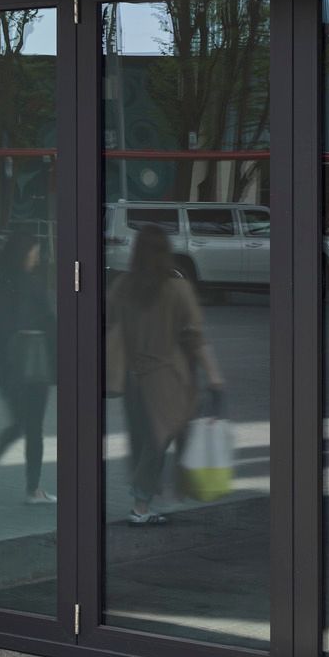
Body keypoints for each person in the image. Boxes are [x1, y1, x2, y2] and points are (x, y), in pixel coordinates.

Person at [106, 223, 222, 526]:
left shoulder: (122, 286)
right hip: (167, 377)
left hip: (133, 376)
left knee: (145, 437)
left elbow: (108, 324)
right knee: (159, 439)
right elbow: (195, 337)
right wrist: (214, 376)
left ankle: (147, 499)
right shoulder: (176, 289)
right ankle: (142, 505)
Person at [0, 227, 55, 504]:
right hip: (34, 368)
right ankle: (32, 490)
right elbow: (49, 323)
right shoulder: (32, 284)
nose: (37, 257)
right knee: (33, 429)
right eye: (34, 252)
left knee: (20, 424)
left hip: (7, 370)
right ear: (24, 254)